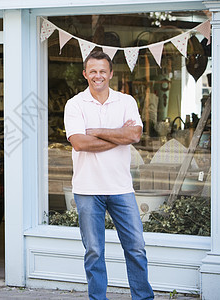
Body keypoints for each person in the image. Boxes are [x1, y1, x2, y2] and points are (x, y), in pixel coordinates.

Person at [63, 51, 154, 300]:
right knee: (93, 251)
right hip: (87, 189)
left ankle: (143, 298)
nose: (98, 76)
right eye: (92, 71)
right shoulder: (75, 104)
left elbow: (134, 136)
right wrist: (118, 136)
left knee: (136, 247)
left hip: (121, 188)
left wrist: (100, 132)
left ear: (111, 74)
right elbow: (80, 143)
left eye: (103, 71)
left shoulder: (126, 102)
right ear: (85, 74)